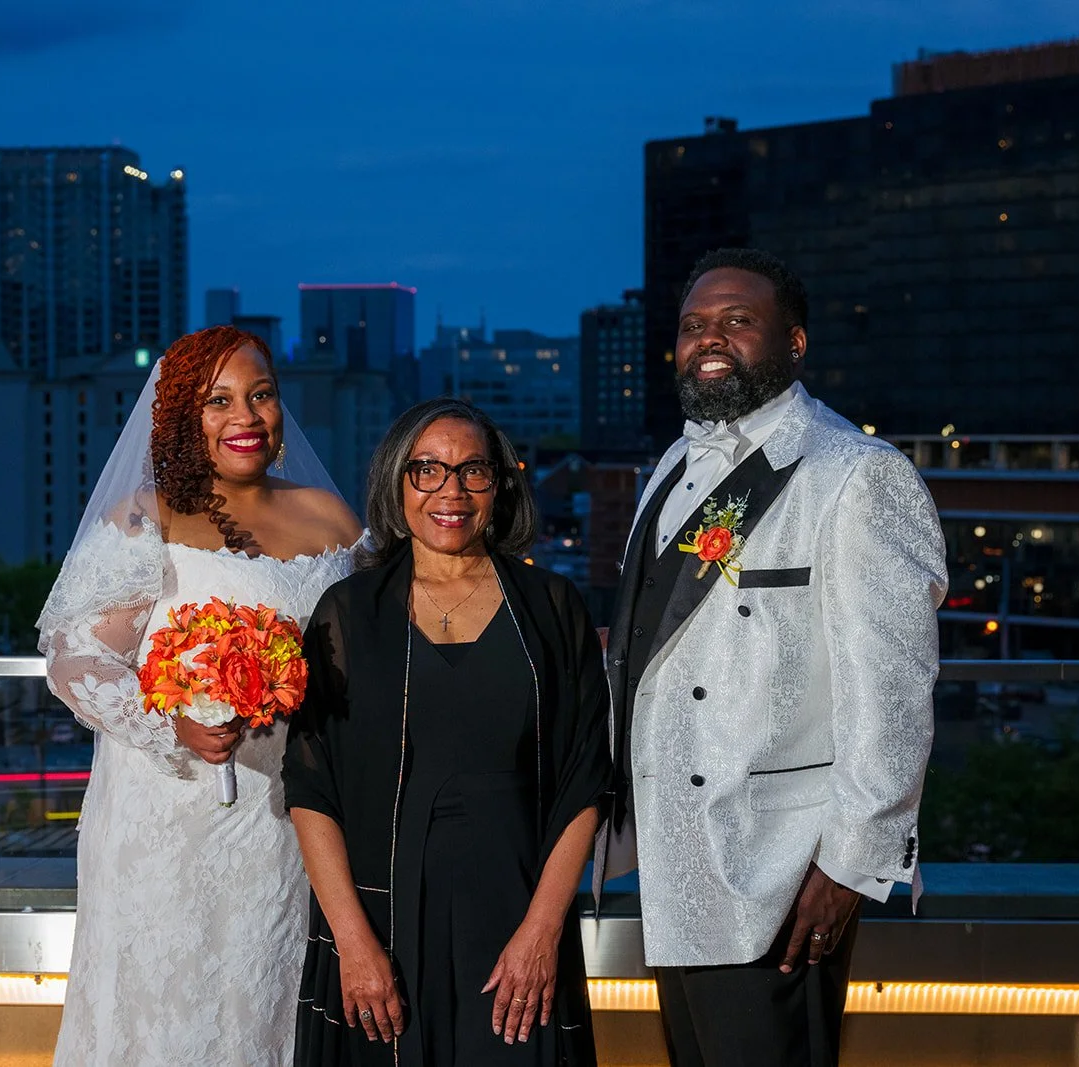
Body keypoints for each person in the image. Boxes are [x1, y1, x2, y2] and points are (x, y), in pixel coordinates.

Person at [595, 249, 947, 1067]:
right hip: (673, 854)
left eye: (736, 321)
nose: (708, 338)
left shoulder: (857, 473)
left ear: (794, 343)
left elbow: (891, 691)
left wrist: (852, 866)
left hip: (778, 866)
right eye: (693, 325)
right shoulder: (672, 465)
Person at [37, 326, 363, 1066]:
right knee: (163, 1010)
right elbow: (73, 657)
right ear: (185, 418)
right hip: (164, 816)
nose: (245, 416)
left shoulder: (334, 520)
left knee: (265, 1003)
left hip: (285, 818)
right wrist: (170, 725)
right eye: (218, 401)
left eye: (260, 395)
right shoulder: (144, 517)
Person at [282, 399, 611, 1067]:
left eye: (472, 471)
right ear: (396, 482)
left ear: (501, 485)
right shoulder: (348, 612)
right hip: (382, 925)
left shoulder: (553, 607)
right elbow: (311, 788)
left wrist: (543, 931)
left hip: (518, 916)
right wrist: (353, 942)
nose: (450, 492)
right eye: (426, 469)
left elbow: (587, 780)